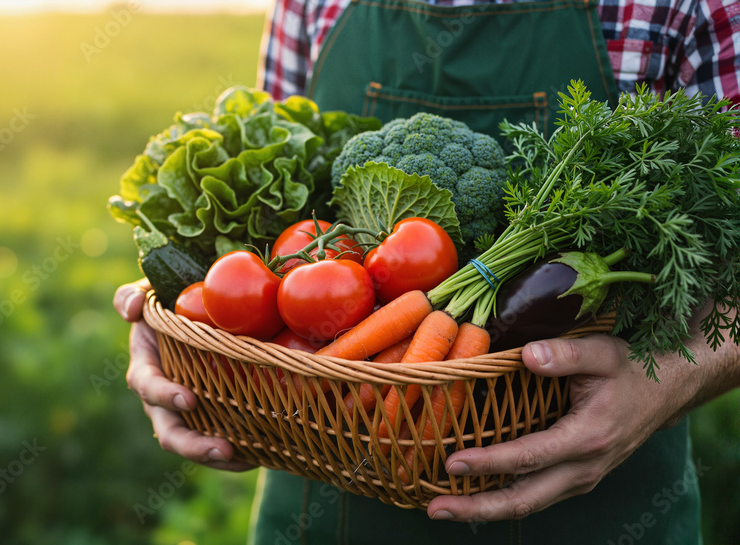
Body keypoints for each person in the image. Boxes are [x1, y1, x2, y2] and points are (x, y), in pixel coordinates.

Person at [114, 0, 740, 542]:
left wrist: (667, 384)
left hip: (601, 512)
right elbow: (271, 229)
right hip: (322, 504)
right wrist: (174, 329)